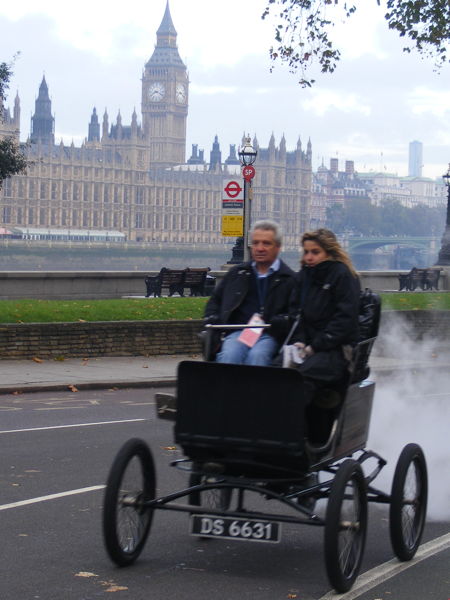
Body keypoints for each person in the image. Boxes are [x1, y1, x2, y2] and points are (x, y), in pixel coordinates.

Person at [204, 220, 296, 366]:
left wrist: (280, 321)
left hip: (270, 334)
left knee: (258, 356)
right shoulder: (237, 273)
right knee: (229, 355)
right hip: (239, 331)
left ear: (278, 247)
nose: (260, 248)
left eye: (266, 243)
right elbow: (216, 300)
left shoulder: (289, 279)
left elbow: (295, 312)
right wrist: (212, 317)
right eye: (256, 243)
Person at [289, 228, 361, 408]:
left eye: (315, 252)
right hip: (306, 346)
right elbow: (295, 313)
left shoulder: (343, 276)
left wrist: (315, 346)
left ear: (329, 253)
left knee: (300, 379)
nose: (309, 258)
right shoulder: (303, 277)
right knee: (273, 374)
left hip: (336, 350)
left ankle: (294, 428)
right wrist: (299, 341)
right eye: (306, 252)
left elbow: (344, 320)